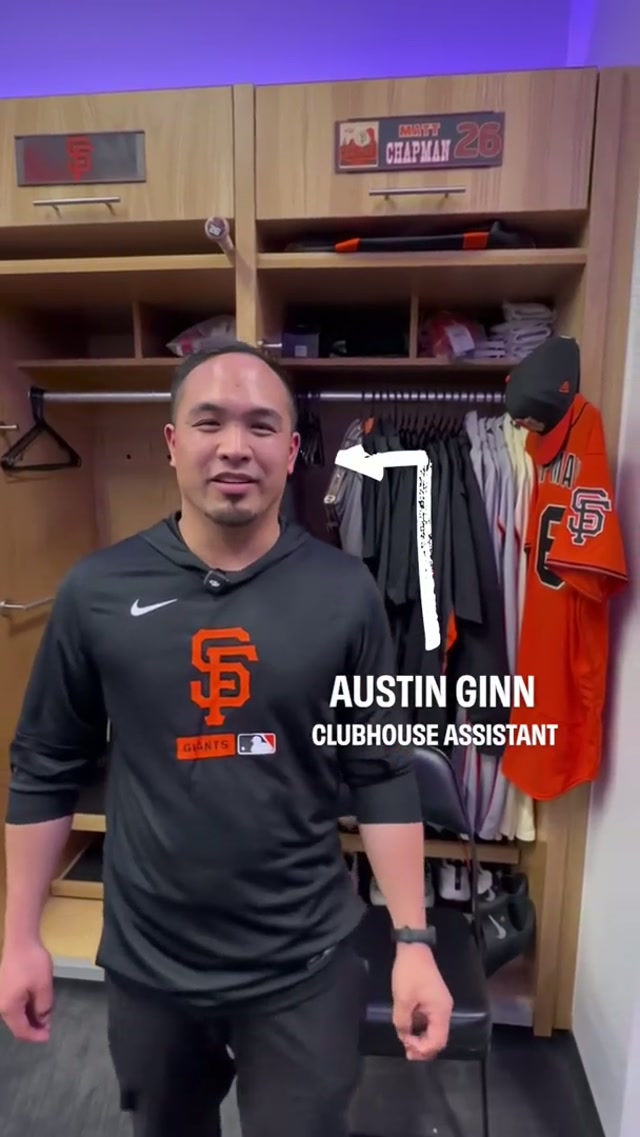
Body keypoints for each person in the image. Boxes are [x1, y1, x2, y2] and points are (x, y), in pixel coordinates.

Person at [0, 342, 453, 1137]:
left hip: (304, 963)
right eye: (208, 422)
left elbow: (382, 772)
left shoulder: (346, 594)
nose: (235, 445)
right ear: (173, 443)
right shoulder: (97, 591)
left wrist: (414, 940)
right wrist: (18, 936)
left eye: (260, 424)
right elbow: (44, 766)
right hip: (151, 967)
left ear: (291, 448)